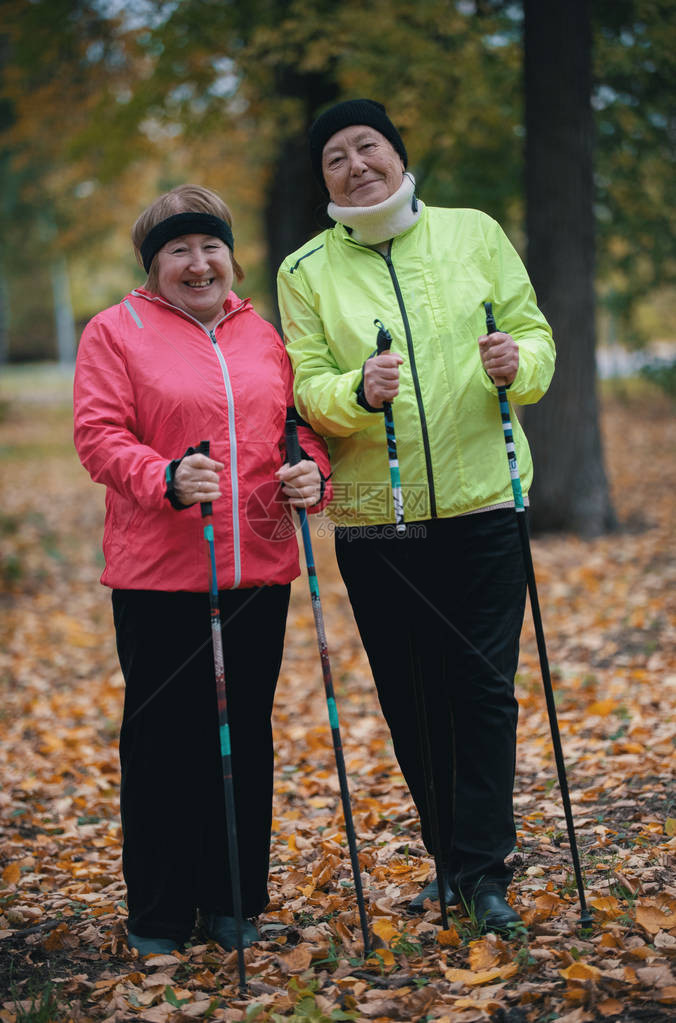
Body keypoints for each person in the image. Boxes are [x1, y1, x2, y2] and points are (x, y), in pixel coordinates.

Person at [277, 99, 555, 933]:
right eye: (336, 157)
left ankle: (482, 870)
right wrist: (355, 393)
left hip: (486, 502)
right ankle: (454, 859)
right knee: (412, 696)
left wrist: (520, 363)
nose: (357, 165)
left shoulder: (474, 232)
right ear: (322, 177)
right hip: (375, 515)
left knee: (482, 689)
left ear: (397, 154)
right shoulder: (305, 270)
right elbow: (305, 383)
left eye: (369, 147)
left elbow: (536, 336)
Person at [74, 184, 332, 956]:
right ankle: (158, 913)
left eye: (209, 246)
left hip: (257, 572)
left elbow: (299, 429)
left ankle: (233, 904)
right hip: (159, 577)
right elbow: (97, 433)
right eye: (177, 251)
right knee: (163, 745)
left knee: (242, 739)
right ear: (152, 267)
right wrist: (162, 476)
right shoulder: (114, 332)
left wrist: (309, 471)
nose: (198, 262)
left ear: (231, 255)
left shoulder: (263, 336)